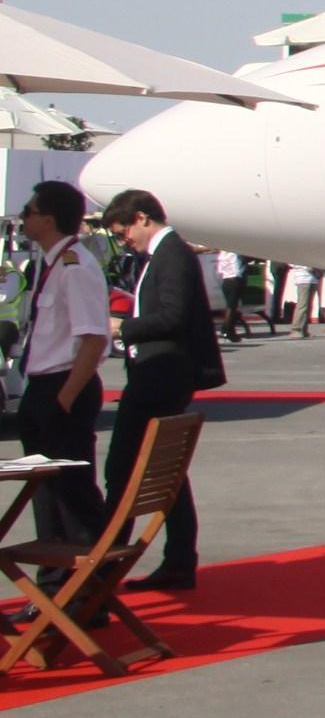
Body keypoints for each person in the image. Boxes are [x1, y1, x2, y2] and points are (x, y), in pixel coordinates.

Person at [99, 188, 220, 589]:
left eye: (123, 233)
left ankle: (106, 560)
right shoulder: (166, 254)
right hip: (158, 373)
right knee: (165, 474)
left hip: (161, 376)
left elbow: (173, 315)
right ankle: (178, 560)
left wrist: (124, 328)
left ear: (142, 218)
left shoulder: (172, 255)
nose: (124, 242)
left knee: (123, 469)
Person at [14, 182, 112, 545]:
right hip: (42, 384)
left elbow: (94, 339)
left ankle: (88, 572)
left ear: (49, 219)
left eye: (29, 211)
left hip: (63, 385)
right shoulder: (53, 262)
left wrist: (64, 399)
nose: (23, 218)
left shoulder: (75, 266)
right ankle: (54, 573)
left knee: (73, 490)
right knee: (44, 490)